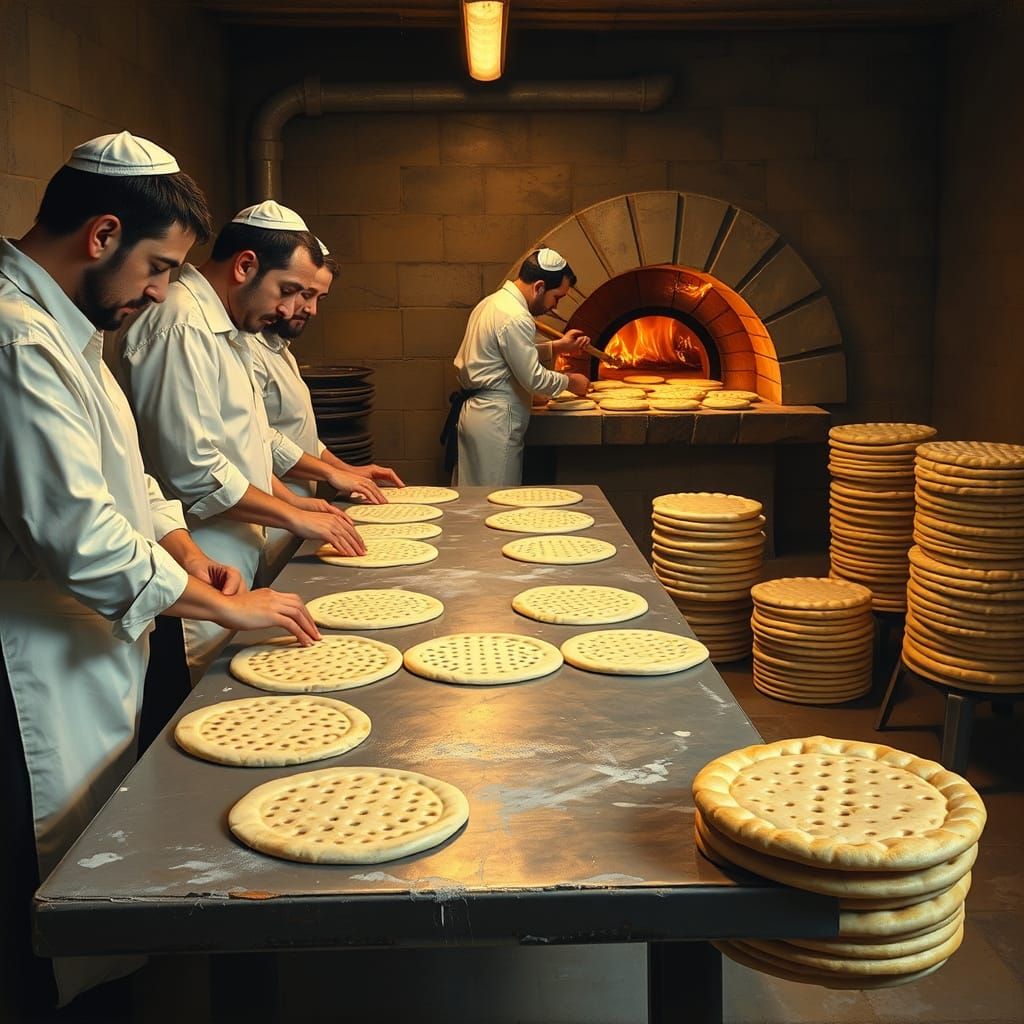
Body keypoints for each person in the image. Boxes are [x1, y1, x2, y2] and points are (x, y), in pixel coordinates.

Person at [0, 132, 322, 1020]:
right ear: (102, 233)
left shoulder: (69, 324)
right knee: (39, 917)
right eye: (158, 267)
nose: (161, 288)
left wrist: (183, 550)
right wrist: (229, 604)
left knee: (93, 882)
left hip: (96, 643)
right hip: (31, 665)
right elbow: (82, 540)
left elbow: (130, 474)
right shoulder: (16, 338)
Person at [118, 202, 376, 678]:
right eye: (289, 291)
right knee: (202, 691)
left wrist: (298, 505)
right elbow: (194, 470)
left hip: (229, 550)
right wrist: (294, 516)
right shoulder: (180, 324)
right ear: (244, 266)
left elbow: (250, 445)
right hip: (199, 554)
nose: (289, 309)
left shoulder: (227, 329)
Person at [247, 239, 404, 576]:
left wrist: (344, 468)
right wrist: (330, 475)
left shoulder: (280, 348)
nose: (310, 309)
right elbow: (263, 437)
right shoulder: (249, 350)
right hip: (274, 509)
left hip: (301, 507)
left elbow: (298, 431)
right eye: (304, 294)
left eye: (319, 298)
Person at [447, 247, 591, 486]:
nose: (554, 307)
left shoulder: (492, 303)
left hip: (477, 416)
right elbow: (533, 379)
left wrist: (557, 346)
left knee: (473, 500)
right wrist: (571, 382)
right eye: (557, 297)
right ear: (539, 287)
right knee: (496, 503)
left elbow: (506, 357)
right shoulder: (516, 317)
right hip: (496, 421)